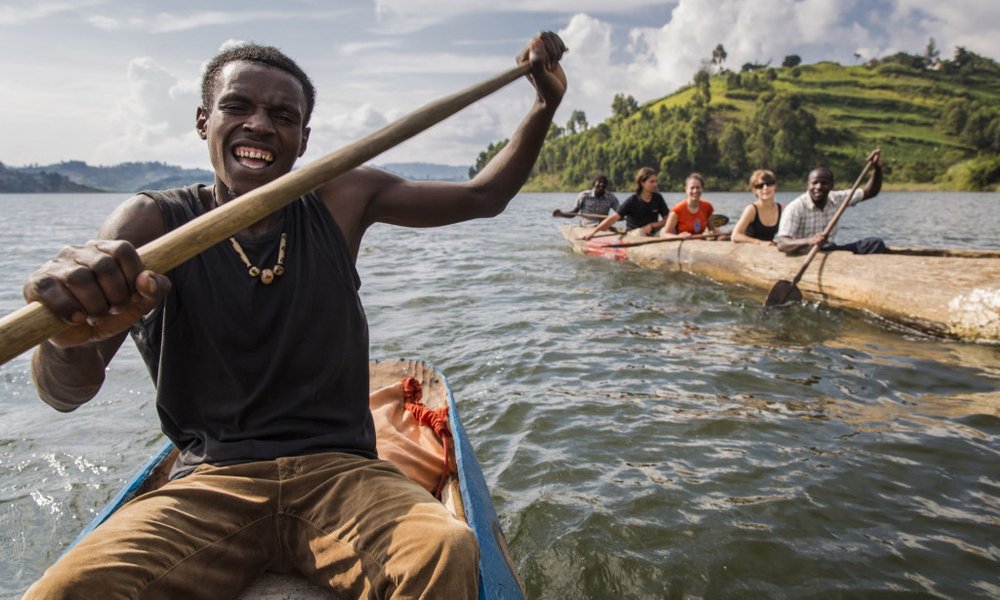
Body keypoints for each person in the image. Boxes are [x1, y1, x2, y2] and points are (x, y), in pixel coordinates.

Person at [21, 33, 566, 600]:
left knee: (444, 551)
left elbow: (484, 196)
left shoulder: (342, 197)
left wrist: (543, 104)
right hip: (210, 482)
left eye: (283, 116)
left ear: (302, 140)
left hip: (340, 475)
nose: (259, 125)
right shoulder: (150, 224)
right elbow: (64, 395)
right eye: (238, 107)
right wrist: (70, 339)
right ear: (204, 120)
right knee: (65, 589)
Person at [775, 149, 886, 255]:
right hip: (803, 253)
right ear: (808, 185)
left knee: (875, 243)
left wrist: (877, 169)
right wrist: (809, 241)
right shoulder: (795, 208)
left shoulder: (837, 198)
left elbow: (870, 192)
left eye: (824, 183)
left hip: (829, 250)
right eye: (814, 183)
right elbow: (782, 243)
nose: (818, 187)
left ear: (831, 185)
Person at [583, 167, 668, 240]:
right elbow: (613, 218)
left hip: (652, 234)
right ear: (642, 183)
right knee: (640, 232)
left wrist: (651, 225)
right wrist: (593, 233)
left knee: (667, 230)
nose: (655, 184)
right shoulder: (633, 200)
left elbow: (667, 220)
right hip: (634, 235)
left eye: (656, 181)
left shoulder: (658, 198)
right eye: (652, 182)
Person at [660, 172, 724, 240]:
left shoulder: (707, 207)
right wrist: (679, 237)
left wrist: (723, 235)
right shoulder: (677, 210)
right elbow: (665, 233)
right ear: (686, 190)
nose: (695, 191)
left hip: (698, 241)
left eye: (698, 187)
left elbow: (712, 229)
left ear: (702, 189)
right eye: (692, 188)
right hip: (681, 242)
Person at [731, 169, 782, 245]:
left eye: (769, 183)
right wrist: (759, 242)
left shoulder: (782, 209)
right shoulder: (751, 209)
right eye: (760, 186)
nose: (765, 188)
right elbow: (735, 236)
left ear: (775, 186)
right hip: (748, 250)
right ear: (754, 190)